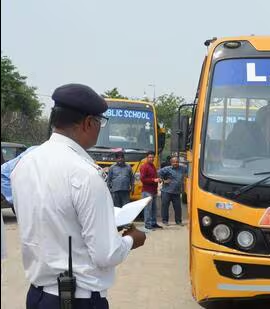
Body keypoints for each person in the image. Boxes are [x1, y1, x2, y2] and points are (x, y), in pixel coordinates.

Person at [10, 83, 146, 309]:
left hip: (37, 296)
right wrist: (132, 240)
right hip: (77, 299)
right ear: (88, 123)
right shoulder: (85, 174)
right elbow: (106, 254)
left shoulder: (24, 165)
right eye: (100, 123)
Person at [158, 156, 186, 225]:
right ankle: (165, 221)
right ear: (171, 163)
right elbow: (158, 173)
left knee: (178, 207)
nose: (175, 163)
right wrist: (163, 180)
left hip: (177, 192)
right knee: (165, 206)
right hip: (166, 191)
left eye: (177, 162)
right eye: (174, 162)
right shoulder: (167, 169)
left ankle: (178, 221)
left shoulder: (182, 168)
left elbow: (192, 169)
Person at [140, 151, 162, 230]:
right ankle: (148, 225)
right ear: (147, 158)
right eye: (150, 157)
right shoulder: (144, 166)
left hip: (153, 191)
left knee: (153, 209)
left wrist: (158, 180)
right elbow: (142, 179)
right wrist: (154, 180)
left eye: (152, 157)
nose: (151, 158)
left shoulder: (152, 166)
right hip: (147, 191)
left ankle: (153, 223)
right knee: (148, 209)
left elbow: (153, 177)